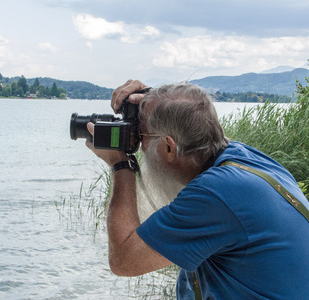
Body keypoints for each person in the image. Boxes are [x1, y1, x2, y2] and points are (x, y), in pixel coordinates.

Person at [86, 79, 309, 300]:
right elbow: (189, 117)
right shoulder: (246, 160)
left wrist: (121, 164)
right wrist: (156, 100)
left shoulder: (218, 194)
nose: (138, 145)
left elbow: (124, 260)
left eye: (141, 136)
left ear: (168, 147)